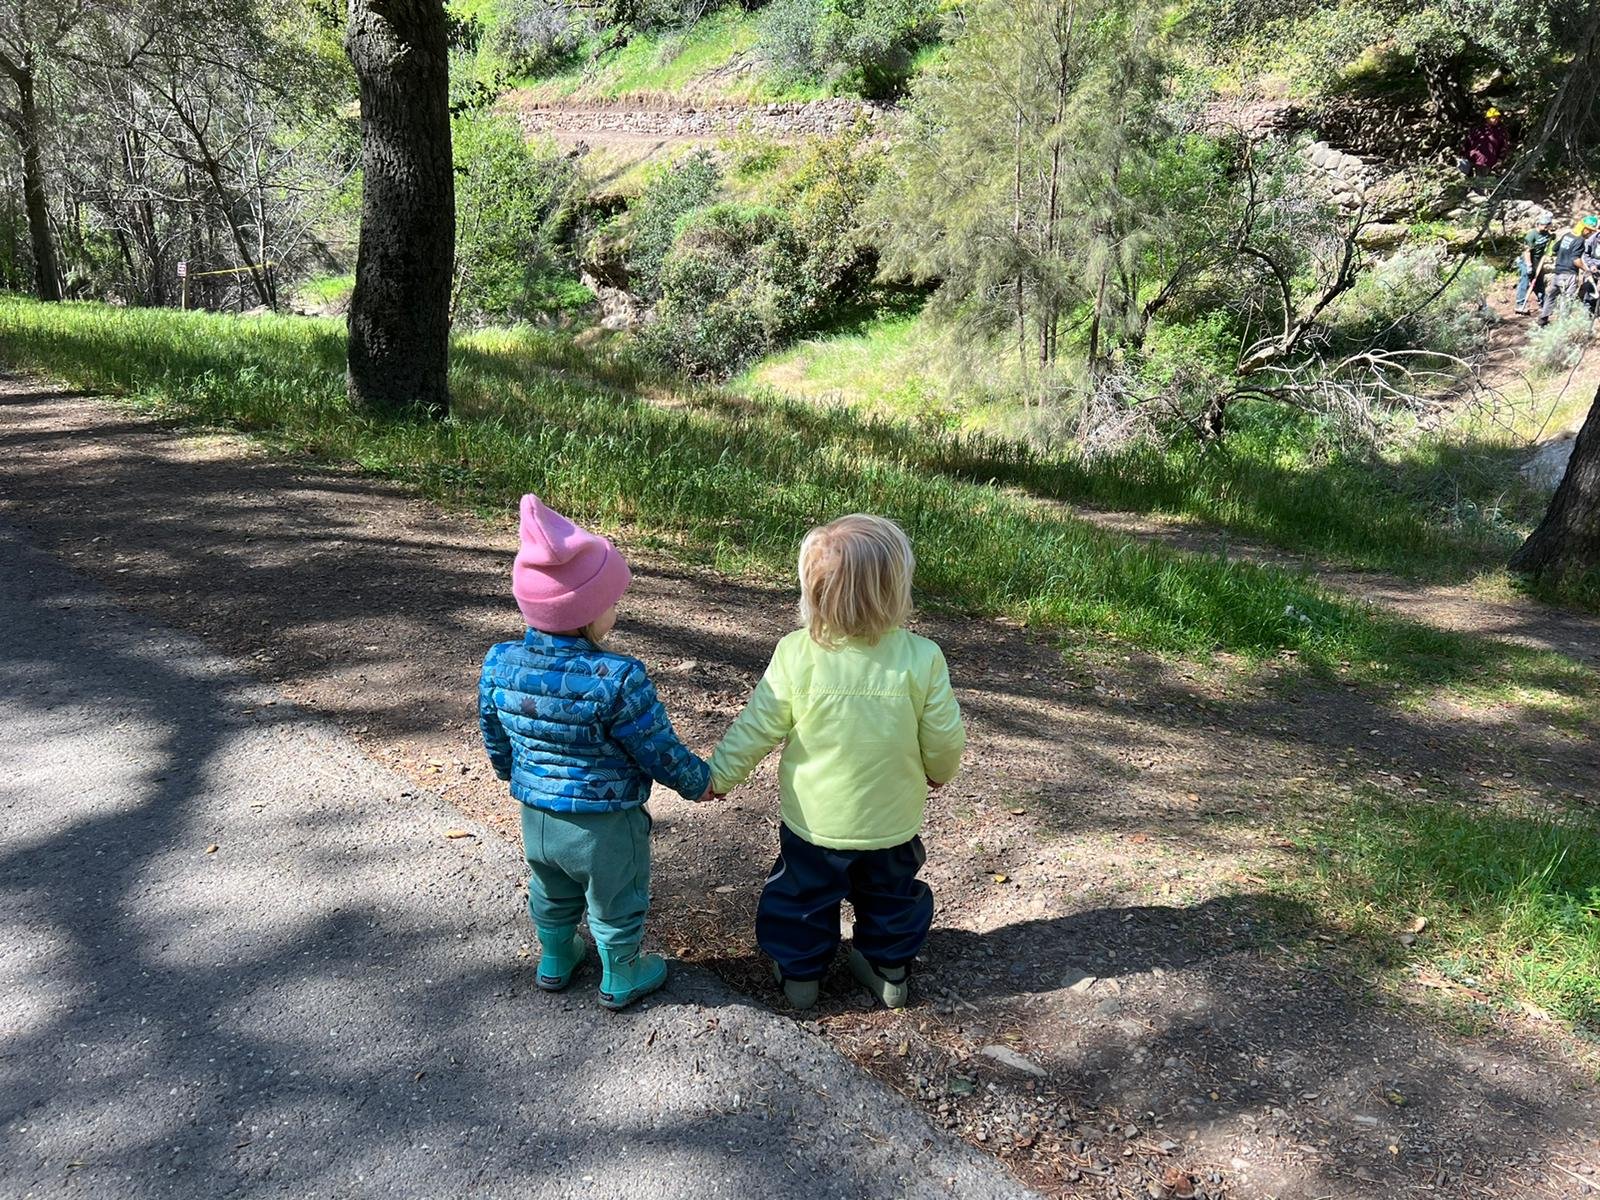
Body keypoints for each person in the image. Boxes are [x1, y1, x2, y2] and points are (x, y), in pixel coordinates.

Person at [708, 514, 965, 1011]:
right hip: (891, 822)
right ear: (896, 590)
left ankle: (801, 976)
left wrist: (720, 775)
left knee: (801, 898)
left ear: (813, 593)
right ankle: (890, 971)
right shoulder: (922, 657)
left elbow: (756, 727)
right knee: (892, 897)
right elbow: (943, 736)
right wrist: (940, 771)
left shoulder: (796, 654)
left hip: (814, 824)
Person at [478, 494, 712, 1009]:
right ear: (584, 609)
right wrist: (701, 782)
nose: (616, 609)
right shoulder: (618, 677)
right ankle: (622, 972)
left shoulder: (500, 663)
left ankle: (556, 957)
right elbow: (658, 750)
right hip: (605, 823)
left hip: (536, 815)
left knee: (552, 891)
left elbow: (494, 733)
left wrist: (508, 770)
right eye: (611, 601)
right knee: (616, 899)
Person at [1541, 216, 1597, 325]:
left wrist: (1564, 255)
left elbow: (1555, 249)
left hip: (1557, 273)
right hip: (1569, 274)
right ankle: (1563, 325)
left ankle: (1543, 319)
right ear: (1585, 229)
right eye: (1590, 231)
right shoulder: (1580, 240)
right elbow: (1575, 259)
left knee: (1551, 296)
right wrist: (1586, 270)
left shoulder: (1567, 235)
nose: (1590, 234)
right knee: (1567, 300)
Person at [1515, 211, 1555, 314]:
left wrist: (1552, 236)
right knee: (1525, 282)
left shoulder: (1546, 232)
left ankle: (1544, 304)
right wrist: (1529, 265)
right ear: (1538, 224)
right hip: (1527, 261)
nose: (1545, 228)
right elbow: (1526, 251)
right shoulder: (1531, 235)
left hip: (1538, 261)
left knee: (1539, 282)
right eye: (1543, 225)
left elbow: (1551, 234)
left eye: (1547, 226)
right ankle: (1520, 304)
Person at [1460, 107, 1509, 176]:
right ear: (1487, 119)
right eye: (1493, 117)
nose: (1496, 119)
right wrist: (1462, 153)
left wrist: (1500, 159)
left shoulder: (1501, 131)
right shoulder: (1479, 129)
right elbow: (1468, 141)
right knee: (1462, 174)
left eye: (1497, 117)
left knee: (1480, 182)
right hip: (1472, 157)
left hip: (1486, 161)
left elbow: (1503, 146)